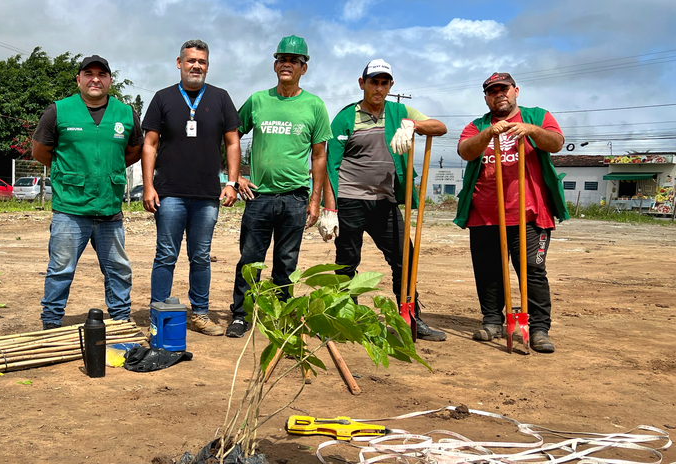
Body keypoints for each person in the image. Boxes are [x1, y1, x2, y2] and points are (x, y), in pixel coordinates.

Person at [321, 59, 448, 341]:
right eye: (373, 82)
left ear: (390, 85)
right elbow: (331, 165)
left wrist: (413, 125)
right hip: (351, 199)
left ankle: (410, 316)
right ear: (362, 83)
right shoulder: (346, 116)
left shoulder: (399, 112)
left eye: (384, 83)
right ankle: (345, 318)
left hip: (385, 201)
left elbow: (440, 127)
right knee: (347, 261)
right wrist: (329, 208)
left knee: (405, 258)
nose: (378, 88)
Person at [226, 35, 332, 338]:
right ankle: (241, 314)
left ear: (303, 68)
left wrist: (315, 201)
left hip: (295, 198)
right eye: (282, 59)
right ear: (275, 65)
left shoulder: (314, 105)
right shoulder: (258, 100)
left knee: (287, 263)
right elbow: (231, 136)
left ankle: (281, 314)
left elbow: (319, 156)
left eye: (294, 61)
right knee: (250, 260)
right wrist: (236, 178)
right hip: (258, 196)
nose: (287, 64)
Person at [455, 72, 568, 353]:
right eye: (492, 91)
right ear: (486, 98)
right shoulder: (477, 125)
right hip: (485, 214)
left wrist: (531, 130)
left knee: (532, 271)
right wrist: (488, 134)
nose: (499, 95)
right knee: (488, 272)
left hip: (529, 213)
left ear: (516, 91)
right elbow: (465, 151)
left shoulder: (537, 116)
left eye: (504, 89)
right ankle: (493, 321)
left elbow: (556, 143)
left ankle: (539, 328)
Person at [32, 55, 143, 330]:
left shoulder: (126, 114)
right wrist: (69, 173)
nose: (95, 79)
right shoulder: (58, 111)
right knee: (61, 269)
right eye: (89, 74)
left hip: (109, 209)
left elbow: (133, 152)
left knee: (118, 269)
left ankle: (120, 319)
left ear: (110, 80)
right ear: (78, 79)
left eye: (102, 74)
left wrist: (109, 171)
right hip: (70, 209)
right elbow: (40, 151)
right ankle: (51, 322)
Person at [141, 39, 241, 336]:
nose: (196, 66)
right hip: (169, 193)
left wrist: (232, 182)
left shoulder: (221, 98)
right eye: (191, 60)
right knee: (165, 255)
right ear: (179, 63)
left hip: (207, 195)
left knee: (200, 257)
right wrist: (148, 186)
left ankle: (199, 314)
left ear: (207, 66)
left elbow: (232, 142)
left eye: (202, 62)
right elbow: (150, 144)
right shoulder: (163, 98)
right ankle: (158, 316)